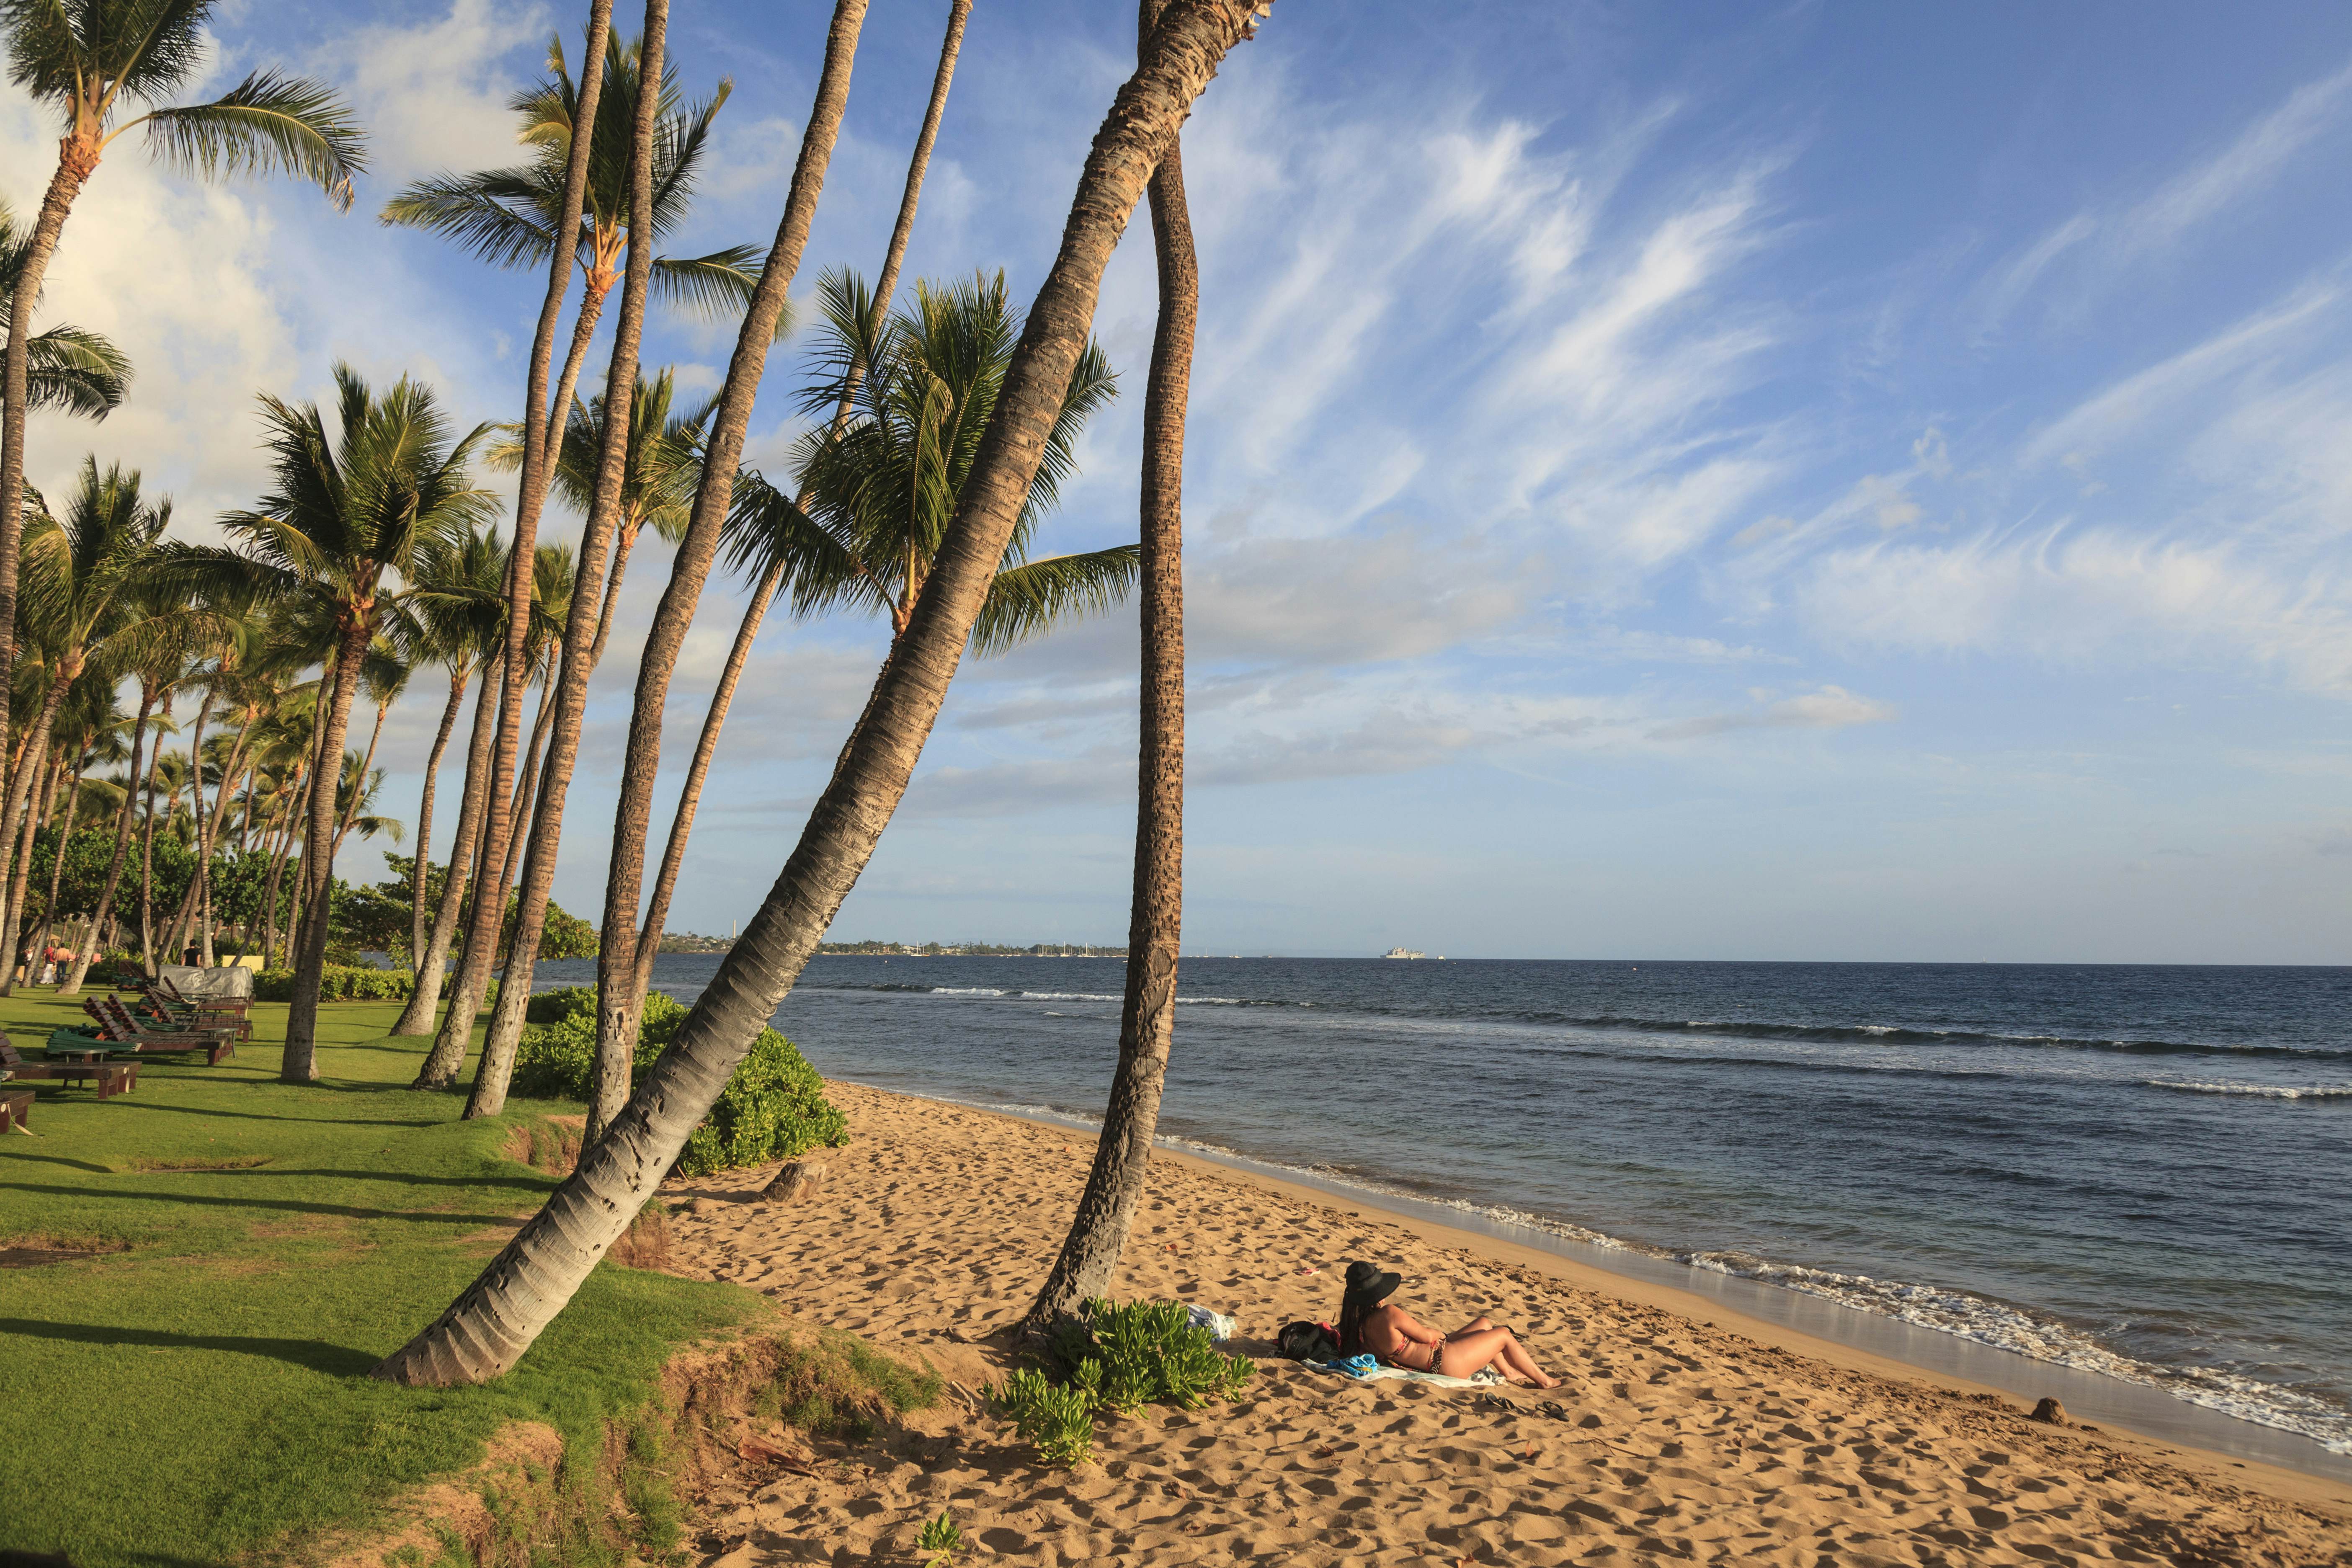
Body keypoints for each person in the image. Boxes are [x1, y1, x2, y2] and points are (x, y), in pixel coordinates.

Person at [1335, 1260, 1559, 1387]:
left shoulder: (1359, 1327)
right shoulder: (1388, 1314)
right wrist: (1441, 1335)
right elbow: (1428, 1337)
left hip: (1434, 1358)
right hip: (1445, 1361)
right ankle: (1545, 1381)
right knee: (1503, 1335)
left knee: (1484, 1323)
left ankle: (1509, 1372)